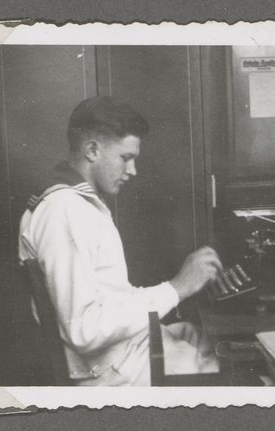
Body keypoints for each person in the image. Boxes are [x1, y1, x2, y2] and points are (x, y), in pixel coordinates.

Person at [19, 96, 221, 385]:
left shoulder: (78, 204)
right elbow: (85, 330)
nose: (133, 170)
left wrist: (175, 289)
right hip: (110, 372)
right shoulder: (65, 210)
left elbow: (109, 295)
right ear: (92, 150)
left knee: (200, 337)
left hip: (120, 353)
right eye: (126, 158)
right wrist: (176, 288)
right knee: (226, 363)